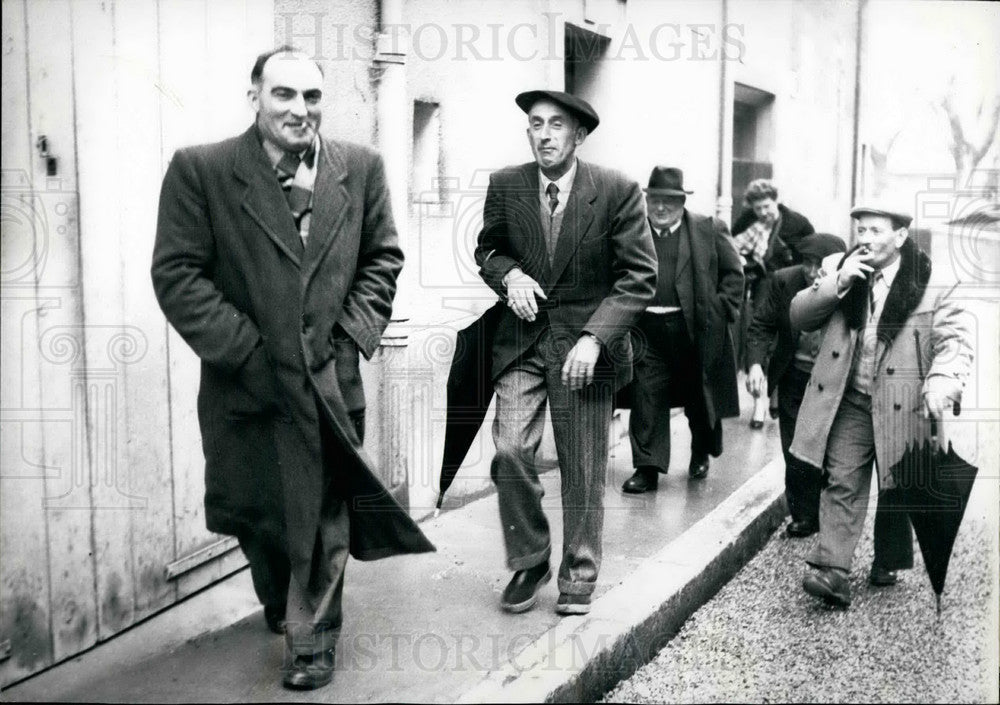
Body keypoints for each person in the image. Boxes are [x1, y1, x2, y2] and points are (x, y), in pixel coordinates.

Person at [151, 47, 433, 690]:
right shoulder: (203, 171)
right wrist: (246, 353)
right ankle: (280, 595)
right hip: (247, 385)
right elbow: (177, 273)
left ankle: (312, 641)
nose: (300, 109)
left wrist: (349, 338)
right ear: (254, 96)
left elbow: (383, 258)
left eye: (312, 96)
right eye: (284, 94)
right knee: (257, 513)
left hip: (330, 382)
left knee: (324, 513)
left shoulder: (359, 168)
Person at [474, 90, 657, 616]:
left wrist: (596, 338)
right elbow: (488, 248)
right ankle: (530, 559)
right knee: (510, 450)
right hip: (523, 342)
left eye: (557, 125)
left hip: (585, 350)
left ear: (579, 136)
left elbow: (639, 276)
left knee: (582, 467)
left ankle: (578, 574)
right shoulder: (507, 184)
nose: (545, 135)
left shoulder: (617, 190)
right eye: (536, 124)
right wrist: (509, 275)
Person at [789, 201, 973, 608]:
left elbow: (955, 341)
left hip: (904, 403)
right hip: (851, 398)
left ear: (900, 236)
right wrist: (837, 283)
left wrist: (942, 381)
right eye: (861, 230)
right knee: (842, 478)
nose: (866, 239)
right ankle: (833, 570)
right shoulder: (840, 267)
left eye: (876, 231)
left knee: (896, 483)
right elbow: (799, 316)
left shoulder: (932, 282)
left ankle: (888, 558)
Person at [621, 167, 743, 494]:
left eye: (669, 201)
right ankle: (647, 469)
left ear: (682, 202)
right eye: (655, 200)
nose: (660, 207)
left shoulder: (708, 228)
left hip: (694, 331)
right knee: (646, 395)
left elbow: (734, 274)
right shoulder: (634, 230)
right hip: (647, 330)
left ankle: (700, 450)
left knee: (699, 398)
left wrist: (720, 312)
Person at [746, 233, 847, 534]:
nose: (812, 272)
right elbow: (762, 323)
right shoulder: (784, 280)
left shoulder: (849, 283)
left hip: (831, 379)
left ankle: (830, 510)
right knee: (794, 447)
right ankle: (803, 514)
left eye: (819, 265)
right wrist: (755, 364)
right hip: (794, 375)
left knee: (832, 447)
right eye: (807, 263)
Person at [731, 179, 815, 429]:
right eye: (758, 208)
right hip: (763, 287)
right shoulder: (747, 222)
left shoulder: (797, 223)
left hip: (791, 288)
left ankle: (776, 394)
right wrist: (746, 262)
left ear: (776, 201)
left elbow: (812, 255)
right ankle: (759, 403)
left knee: (785, 340)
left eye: (767, 206)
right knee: (759, 338)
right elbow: (732, 246)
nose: (763, 212)